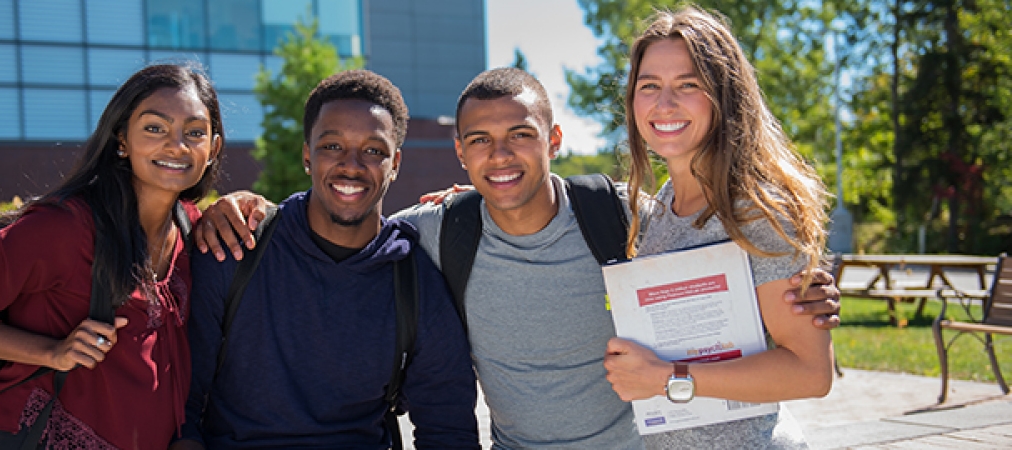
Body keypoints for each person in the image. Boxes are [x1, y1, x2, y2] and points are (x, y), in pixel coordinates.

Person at [196, 68, 841, 448]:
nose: (499, 156)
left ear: (554, 140)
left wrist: (799, 287)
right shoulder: (434, 233)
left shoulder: (619, 217)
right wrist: (248, 208)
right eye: (480, 141)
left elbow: (715, 255)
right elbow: (342, 218)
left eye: (520, 137)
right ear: (460, 154)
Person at [0, 63, 224, 449]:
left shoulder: (194, 230)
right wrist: (52, 351)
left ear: (214, 148)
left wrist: (244, 203)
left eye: (194, 133)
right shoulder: (66, 228)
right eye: (155, 128)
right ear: (122, 140)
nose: (177, 145)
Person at [171, 70, 479, 449]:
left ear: (395, 163)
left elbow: (449, 429)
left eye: (373, 150)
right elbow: (181, 405)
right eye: (332, 146)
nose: (351, 165)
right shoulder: (236, 248)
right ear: (306, 154)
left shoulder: (415, 282)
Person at [601, 7, 834, 448]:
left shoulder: (758, 211)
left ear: (723, 95)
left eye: (688, 85)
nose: (664, 103)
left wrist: (665, 378)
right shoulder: (665, 203)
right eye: (649, 86)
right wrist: (476, 198)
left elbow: (810, 372)